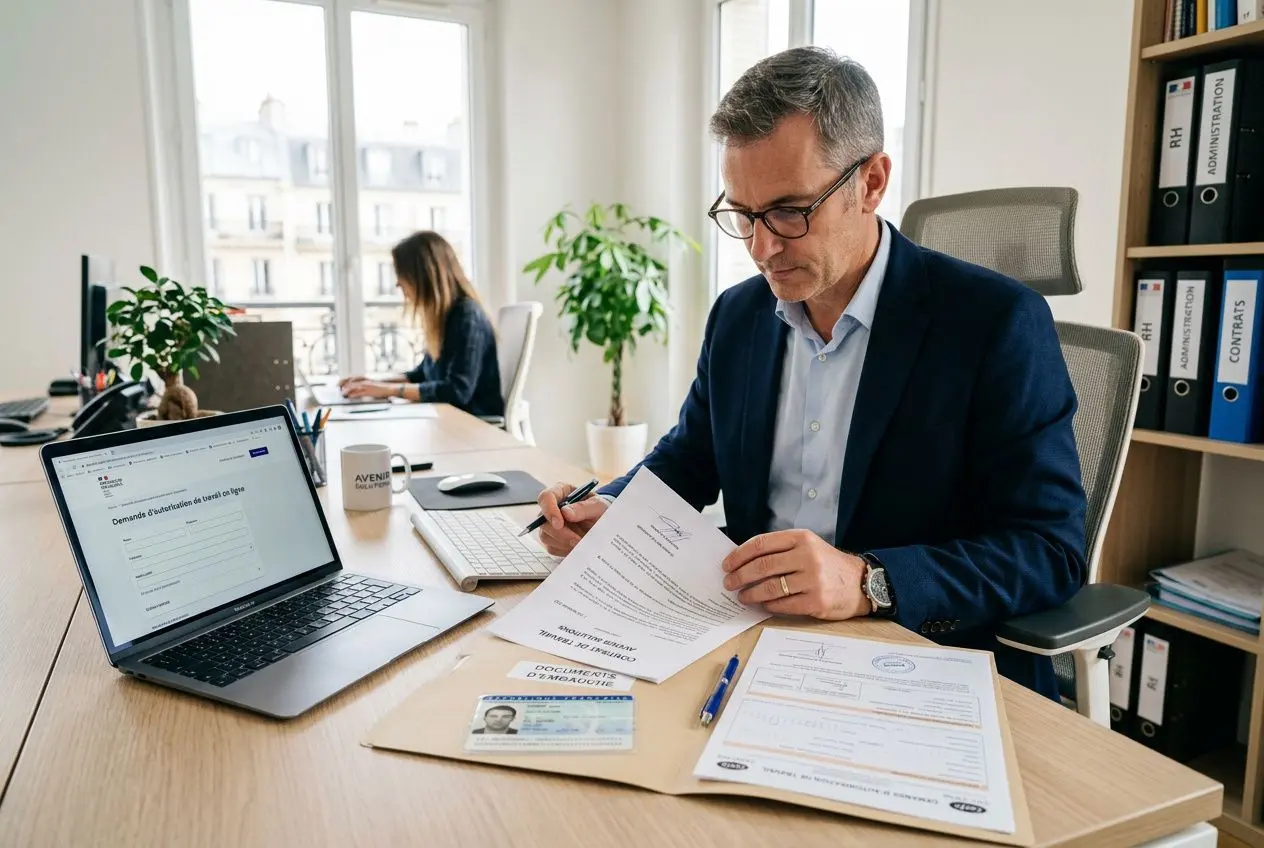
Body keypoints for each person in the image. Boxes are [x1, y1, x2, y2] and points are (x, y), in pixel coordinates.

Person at [534, 47, 1087, 702]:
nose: (763, 248)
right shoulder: (740, 317)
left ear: (872, 183)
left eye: (791, 211)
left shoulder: (995, 323)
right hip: (748, 642)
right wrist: (613, 509)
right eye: (743, 214)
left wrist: (867, 580)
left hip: (912, 658)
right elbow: (689, 459)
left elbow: (1050, 551)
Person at [339, 231, 505, 418]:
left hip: (472, 424)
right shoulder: (445, 316)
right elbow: (422, 374)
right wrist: (373, 384)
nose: (397, 284)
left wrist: (388, 390)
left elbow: (457, 391)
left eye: (402, 274)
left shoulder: (467, 315)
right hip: (447, 419)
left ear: (423, 276)